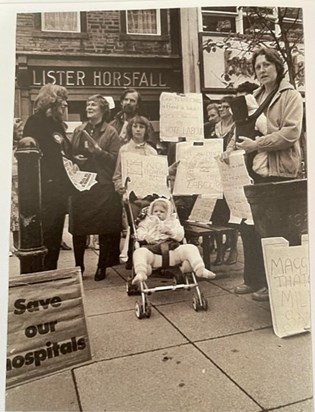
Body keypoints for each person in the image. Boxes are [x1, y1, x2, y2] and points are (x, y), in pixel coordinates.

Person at [227, 48, 303, 301]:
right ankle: (254, 279)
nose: (262, 70)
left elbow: (290, 134)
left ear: (278, 67)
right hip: (253, 171)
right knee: (250, 226)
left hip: (279, 172)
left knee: (277, 230)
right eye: (258, 66)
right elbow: (241, 130)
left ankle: (277, 284)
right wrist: (230, 151)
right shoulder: (254, 97)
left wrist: (257, 145)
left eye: (267, 65)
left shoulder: (289, 96)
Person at [69, 94, 122, 281]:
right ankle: (79, 266)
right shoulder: (79, 130)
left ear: (103, 109)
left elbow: (116, 159)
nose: (89, 107)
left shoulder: (110, 132)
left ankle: (101, 266)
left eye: (93, 104)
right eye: (87, 104)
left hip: (102, 185)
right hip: (81, 185)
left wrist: (99, 153)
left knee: (105, 228)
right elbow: (70, 153)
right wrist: (76, 160)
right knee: (79, 229)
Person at [22, 84, 72, 270]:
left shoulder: (57, 124)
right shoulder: (34, 122)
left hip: (58, 190)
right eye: (62, 101)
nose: (65, 105)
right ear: (51, 102)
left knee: (55, 235)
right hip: (43, 189)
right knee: (44, 234)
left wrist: (75, 158)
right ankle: (40, 272)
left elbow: (65, 151)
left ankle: (51, 270)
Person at [132, 198, 216, 284]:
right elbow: (139, 232)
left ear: (168, 213)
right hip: (153, 253)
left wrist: (170, 232)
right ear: (151, 212)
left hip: (173, 251)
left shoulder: (173, 222)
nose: (158, 213)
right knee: (139, 252)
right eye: (155, 211)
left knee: (191, 248)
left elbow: (180, 235)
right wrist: (146, 237)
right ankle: (141, 273)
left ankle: (200, 269)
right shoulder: (147, 222)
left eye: (162, 212)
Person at [113, 115, 158, 269]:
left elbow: (157, 176)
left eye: (141, 127)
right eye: (135, 126)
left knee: (152, 224)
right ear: (130, 128)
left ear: (146, 130)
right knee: (135, 225)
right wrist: (121, 190)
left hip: (149, 196)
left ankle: (150, 257)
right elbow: (117, 176)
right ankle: (133, 257)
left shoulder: (152, 151)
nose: (138, 130)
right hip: (131, 197)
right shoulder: (124, 150)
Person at [211, 96, 238, 266]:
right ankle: (219, 249)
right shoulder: (216, 126)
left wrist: (227, 153)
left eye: (225, 106)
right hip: (216, 171)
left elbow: (232, 146)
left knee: (231, 212)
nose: (222, 109)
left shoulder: (236, 126)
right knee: (216, 213)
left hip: (230, 171)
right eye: (220, 107)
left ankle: (233, 248)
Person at [10, 118, 24, 256]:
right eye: (18, 130)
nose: (21, 132)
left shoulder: (23, 144)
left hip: (22, 182)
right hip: (12, 185)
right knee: (14, 213)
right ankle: (16, 243)